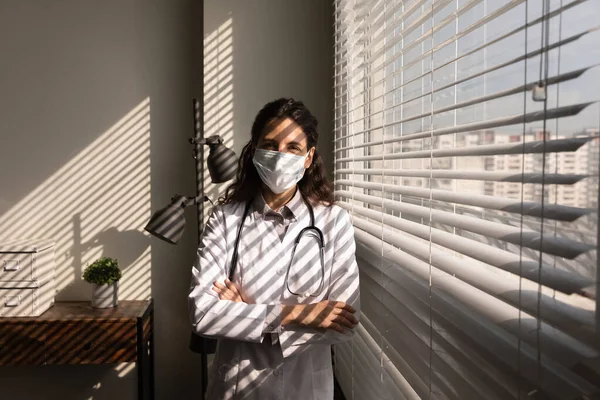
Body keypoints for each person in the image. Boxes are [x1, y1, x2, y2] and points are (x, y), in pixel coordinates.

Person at [188, 98, 360, 399]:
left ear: (308, 158)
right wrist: (296, 314)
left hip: (304, 388)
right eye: (270, 144)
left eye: (293, 147)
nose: (280, 155)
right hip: (236, 388)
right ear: (255, 152)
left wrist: (244, 312)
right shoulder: (225, 218)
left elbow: (343, 322)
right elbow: (202, 314)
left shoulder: (334, 221)